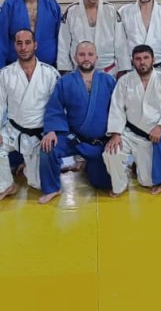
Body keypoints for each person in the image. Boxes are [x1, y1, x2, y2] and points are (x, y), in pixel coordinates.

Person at [0, 29, 60, 202]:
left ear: (35, 45)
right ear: (15, 46)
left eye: (27, 43)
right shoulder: (4, 74)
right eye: (19, 43)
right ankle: (6, 185)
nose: (23, 47)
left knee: (37, 184)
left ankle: (30, 166)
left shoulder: (50, 73)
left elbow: (58, 107)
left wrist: (53, 130)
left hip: (40, 134)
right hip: (14, 130)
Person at [38, 41, 115, 203]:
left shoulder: (109, 81)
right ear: (75, 58)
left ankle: (88, 165)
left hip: (98, 143)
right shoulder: (65, 82)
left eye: (90, 54)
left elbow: (118, 111)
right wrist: (51, 130)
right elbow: (55, 108)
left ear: (96, 58)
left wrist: (115, 134)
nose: (86, 58)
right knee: (48, 147)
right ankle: (52, 188)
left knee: (103, 184)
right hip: (73, 139)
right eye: (82, 54)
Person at [104, 45, 161, 196]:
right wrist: (116, 134)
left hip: (150, 136)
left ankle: (137, 165)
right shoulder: (124, 81)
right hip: (128, 133)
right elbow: (117, 108)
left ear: (153, 60)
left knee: (147, 181)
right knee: (111, 153)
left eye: (146, 58)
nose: (142, 62)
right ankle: (120, 185)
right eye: (138, 59)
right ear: (132, 61)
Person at [57, 0, 127, 74]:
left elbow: (121, 43)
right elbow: (64, 43)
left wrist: (123, 70)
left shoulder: (111, 10)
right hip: (79, 70)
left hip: (108, 69)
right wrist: (65, 69)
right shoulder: (71, 11)